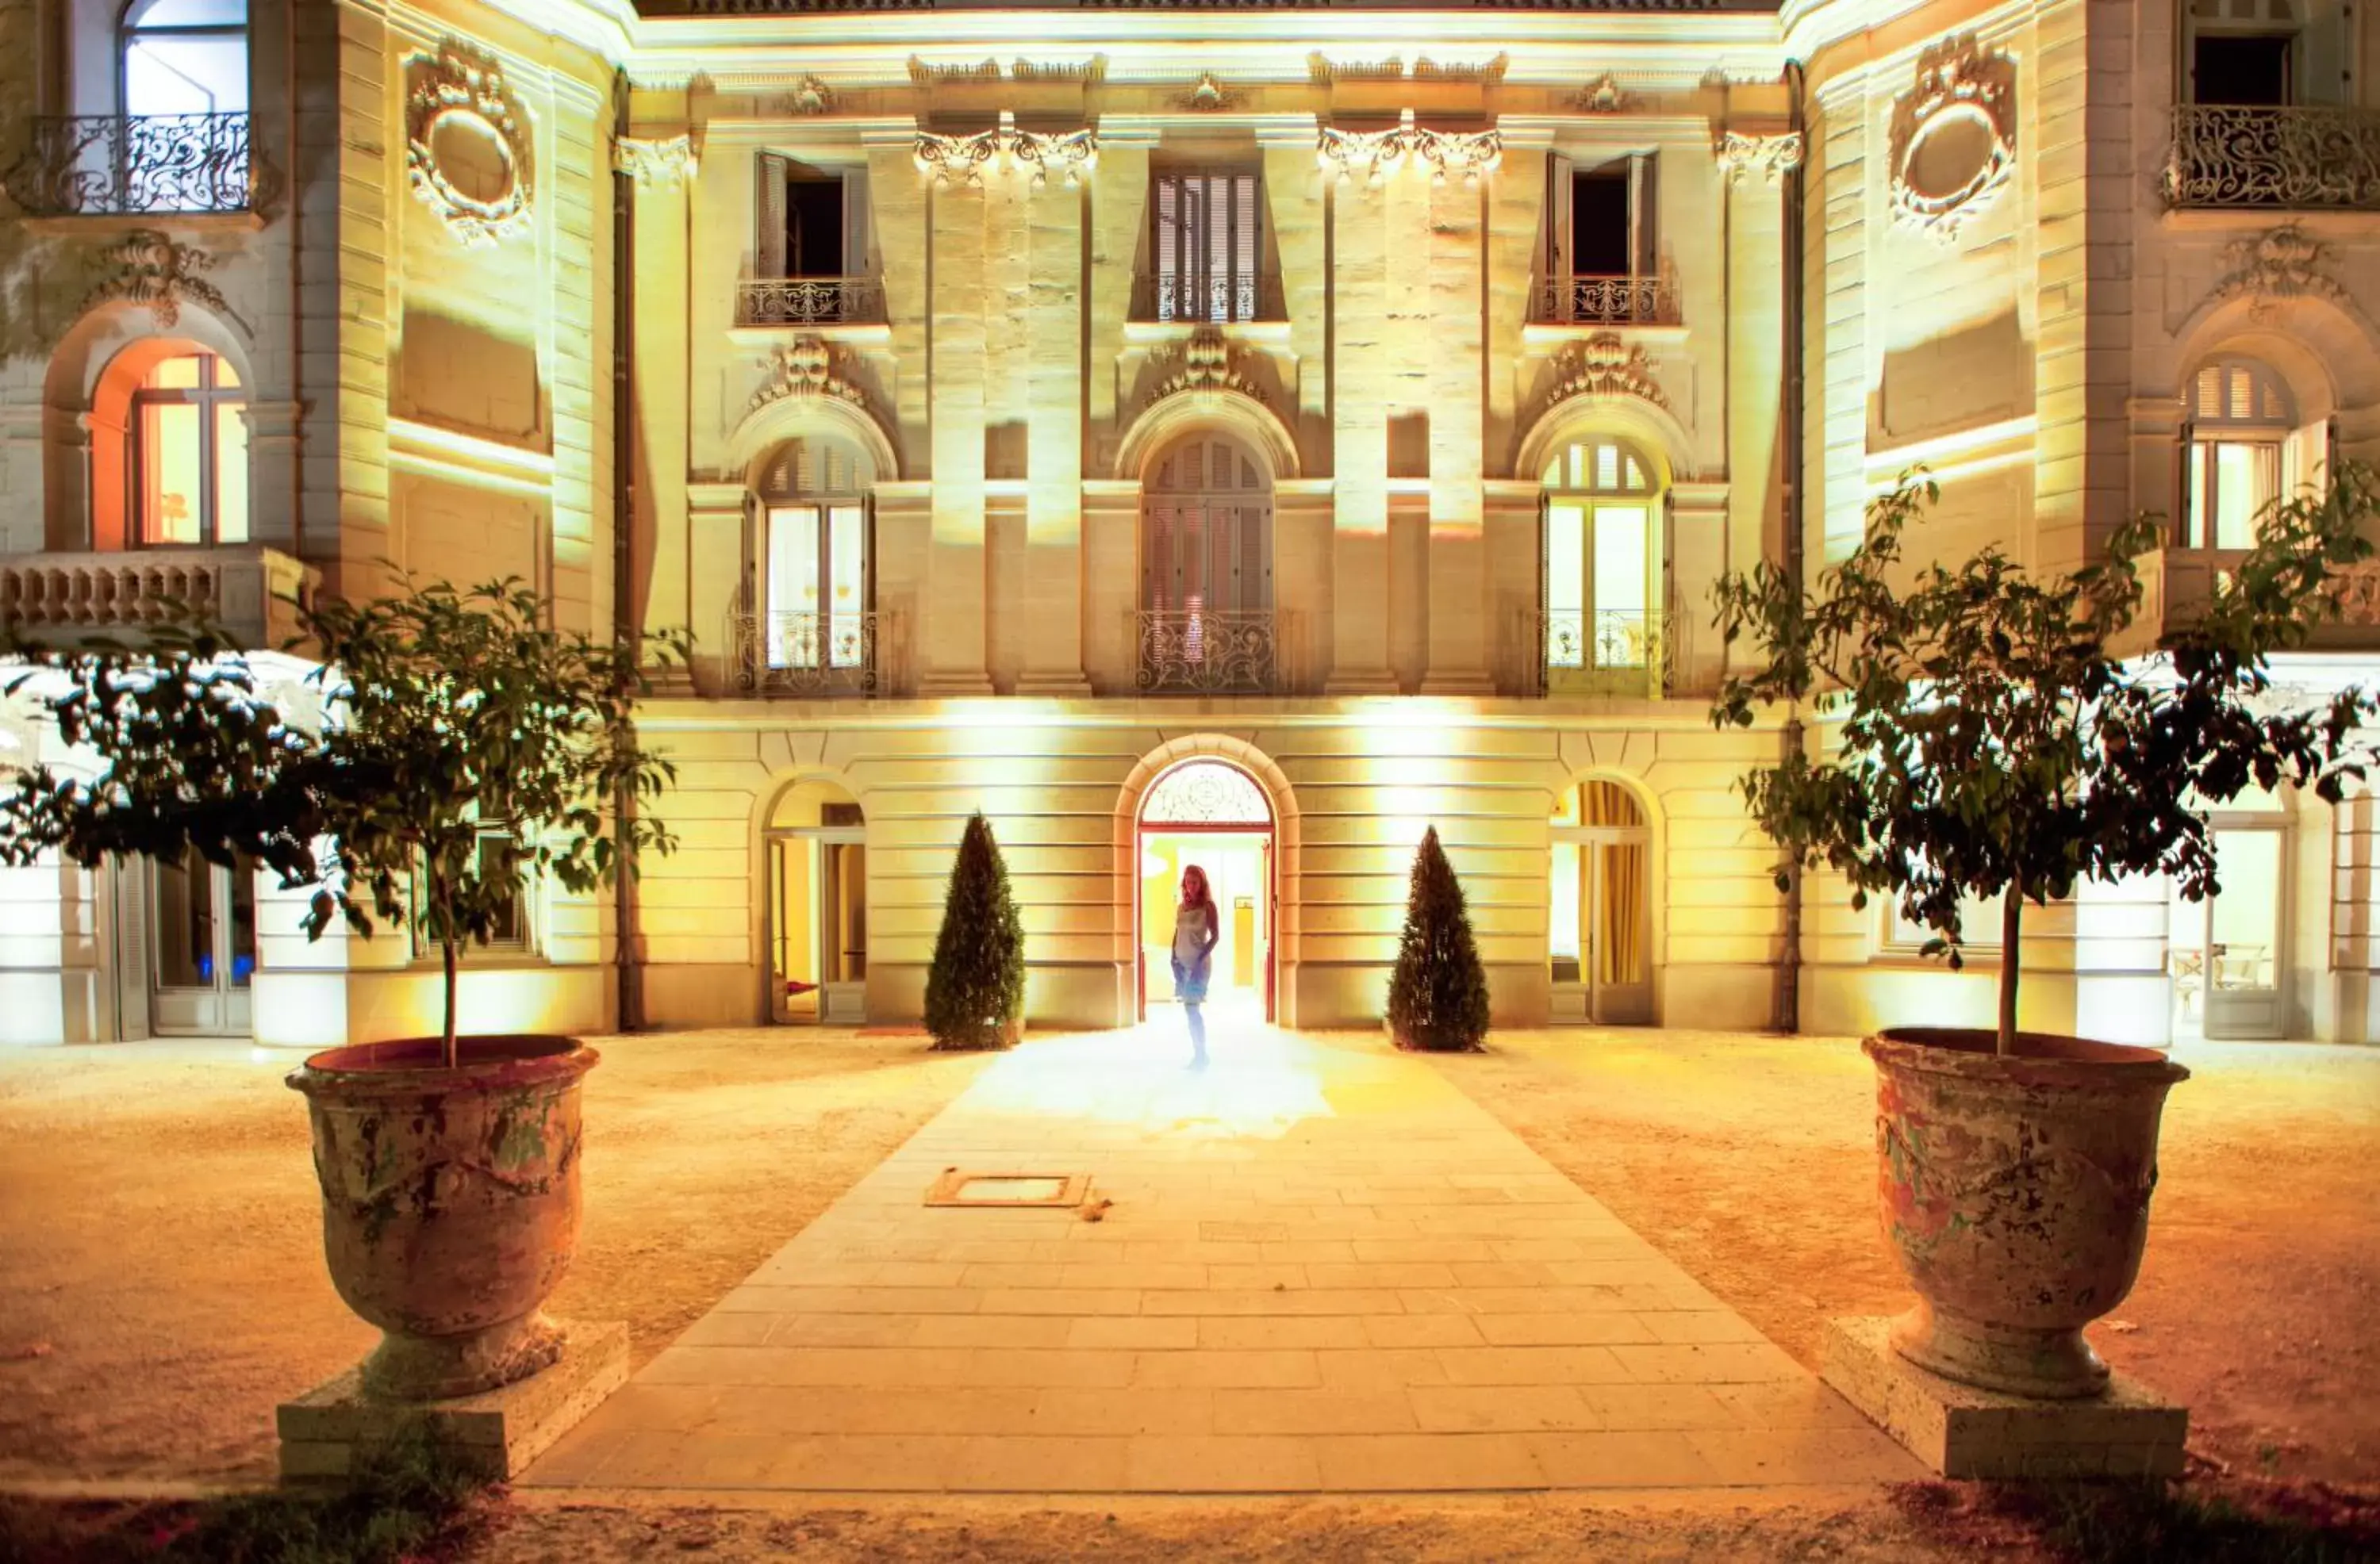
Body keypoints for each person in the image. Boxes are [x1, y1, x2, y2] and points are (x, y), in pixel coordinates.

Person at [1170, 864, 1220, 1068]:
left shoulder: (1208, 906)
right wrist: (1172, 956)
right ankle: (1199, 1053)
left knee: (1192, 1009)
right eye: (1188, 882)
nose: (1191, 886)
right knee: (1189, 1009)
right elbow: (1178, 933)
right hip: (1181, 966)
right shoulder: (1181, 906)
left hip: (1199, 967)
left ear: (1202, 884)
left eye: (1195, 882)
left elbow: (1216, 936)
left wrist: (1200, 961)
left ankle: (1201, 1054)